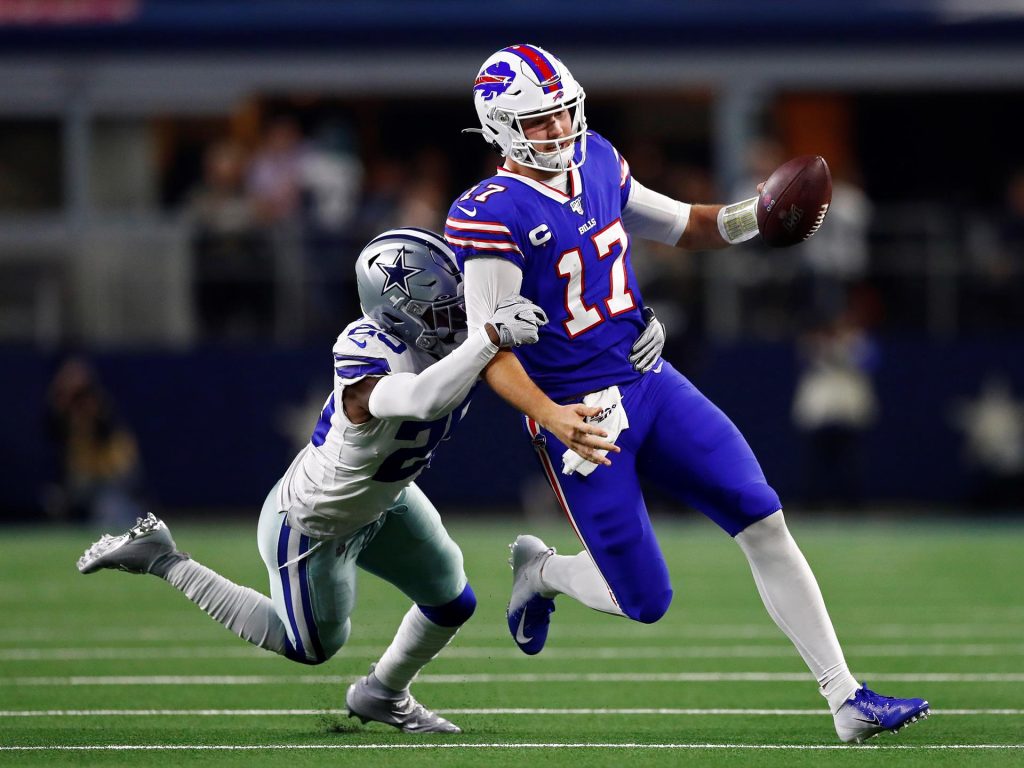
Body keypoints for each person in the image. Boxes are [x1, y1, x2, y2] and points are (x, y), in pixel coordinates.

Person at [446, 43, 929, 744]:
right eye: (540, 121)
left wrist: (755, 216)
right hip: (583, 416)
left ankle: (845, 698)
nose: (557, 130)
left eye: (562, 113)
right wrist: (552, 417)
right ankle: (543, 571)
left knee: (762, 518)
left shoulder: (600, 161)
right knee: (644, 600)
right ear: (501, 128)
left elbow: (685, 225)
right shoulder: (490, 212)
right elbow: (488, 353)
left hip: (650, 380)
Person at [76, 228, 550, 734]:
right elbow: (420, 400)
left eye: (459, 307)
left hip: (385, 499)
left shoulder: (460, 339)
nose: (458, 320)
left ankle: (383, 694)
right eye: (443, 311)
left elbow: (531, 335)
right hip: (315, 520)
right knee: (311, 647)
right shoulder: (365, 347)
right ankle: (163, 558)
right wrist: (489, 338)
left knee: (453, 601)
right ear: (399, 311)